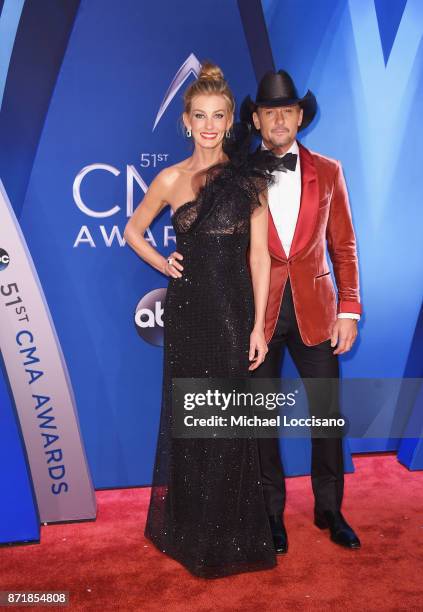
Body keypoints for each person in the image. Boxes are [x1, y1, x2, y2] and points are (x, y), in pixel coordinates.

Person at [123, 62, 287, 578]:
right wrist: (161, 261)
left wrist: (259, 325)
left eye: (219, 115)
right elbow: (133, 231)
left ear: (230, 121)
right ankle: (191, 528)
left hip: (234, 314)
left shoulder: (248, 179)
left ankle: (232, 533)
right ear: (187, 122)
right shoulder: (170, 179)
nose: (211, 125)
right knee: (192, 424)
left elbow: (259, 257)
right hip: (190, 314)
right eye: (201, 116)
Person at [241, 69, 362, 554]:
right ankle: (271, 514)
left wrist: (349, 309)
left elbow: (344, 245)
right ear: (256, 119)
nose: (278, 119)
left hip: (318, 311)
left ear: (299, 118)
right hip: (260, 317)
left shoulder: (328, 170)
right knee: (260, 421)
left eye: (287, 111)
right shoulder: (241, 173)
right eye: (270, 111)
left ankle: (330, 508)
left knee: (327, 417)